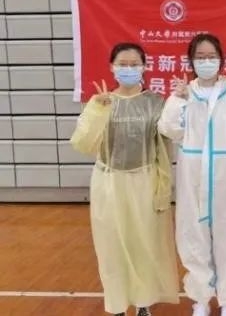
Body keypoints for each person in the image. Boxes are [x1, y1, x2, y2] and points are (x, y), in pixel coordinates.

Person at [70, 43, 180, 316]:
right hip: (109, 182)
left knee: (144, 243)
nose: (128, 69)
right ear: (112, 67)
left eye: (134, 64)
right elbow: (83, 143)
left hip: (144, 180)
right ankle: (117, 304)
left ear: (144, 67)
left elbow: (166, 146)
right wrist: (98, 111)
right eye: (122, 64)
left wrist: (162, 188)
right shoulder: (101, 101)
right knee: (111, 245)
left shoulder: (156, 103)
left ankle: (143, 303)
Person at [158, 33, 226, 316]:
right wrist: (178, 100)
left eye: (211, 56)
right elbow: (169, 130)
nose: (206, 61)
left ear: (222, 59)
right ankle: (200, 299)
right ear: (191, 61)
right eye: (200, 57)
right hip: (193, 175)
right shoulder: (184, 93)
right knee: (193, 235)